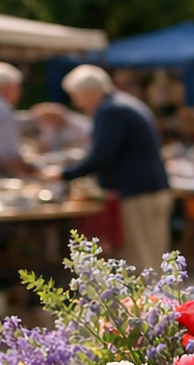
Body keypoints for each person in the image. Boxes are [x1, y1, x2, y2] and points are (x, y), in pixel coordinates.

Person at [56, 64, 172, 271]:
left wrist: (64, 174)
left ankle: (146, 303)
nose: (75, 102)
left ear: (89, 92)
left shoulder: (111, 110)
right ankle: (156, 301)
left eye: (76, 95)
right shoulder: (121, 104)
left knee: (139, 261)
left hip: (138, 192)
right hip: (150, 188)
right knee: (153, 259)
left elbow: (101, 156)